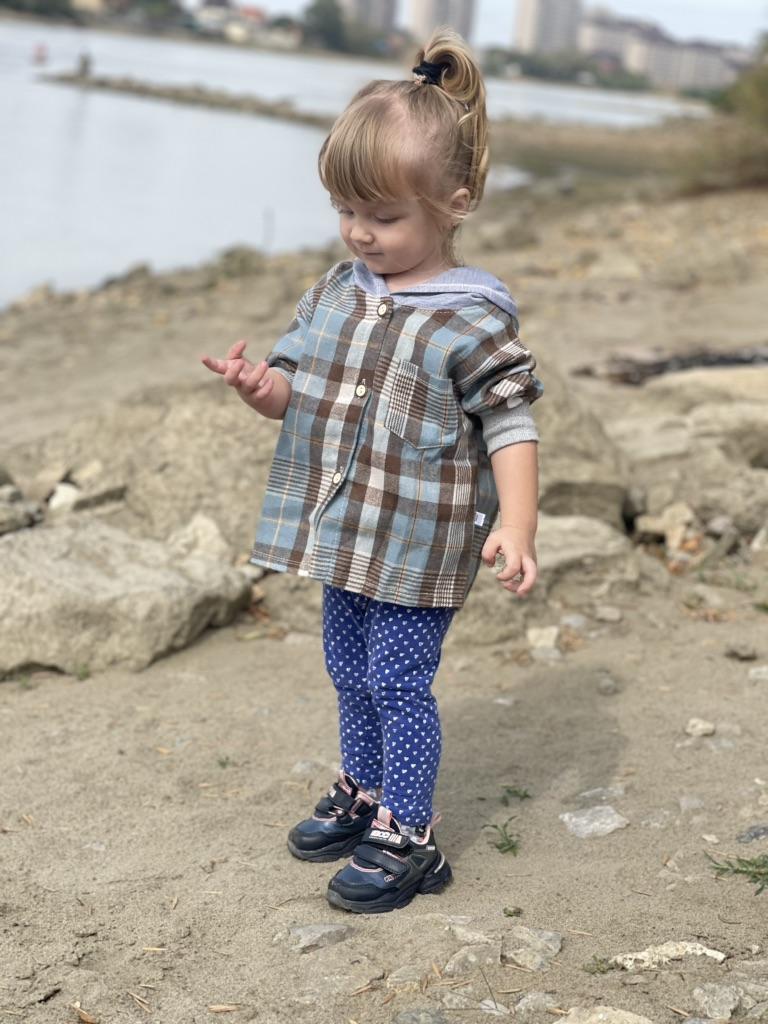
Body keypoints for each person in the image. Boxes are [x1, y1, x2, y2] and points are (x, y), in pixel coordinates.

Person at [201, 29, 543, 915]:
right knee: (346, 669)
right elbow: (298, 390)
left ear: (454, 204)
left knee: (398, 681)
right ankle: (363, 787)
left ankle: (410, 831)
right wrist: (263, 388)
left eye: (384, 217)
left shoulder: (471, 320)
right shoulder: (337, 290)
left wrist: (517, 524)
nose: (360, 231)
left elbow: (511, 423)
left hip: (419, 543)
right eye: (345, 209)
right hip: (346, 528)